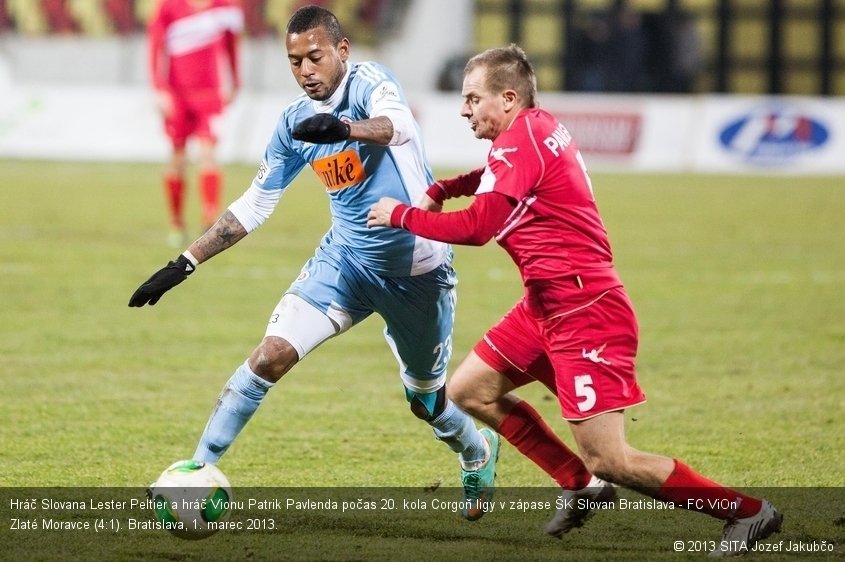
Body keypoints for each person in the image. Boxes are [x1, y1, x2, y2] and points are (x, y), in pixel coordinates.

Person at [367, 44, 783, 556]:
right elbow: (495, 178)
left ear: (509, 97)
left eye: (473, 98)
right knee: (470, 391)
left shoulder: (522, 142)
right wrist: (450, 184)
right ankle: (580, 485)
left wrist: (400, 214)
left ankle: (745, 511)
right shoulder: (534, 129)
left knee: (613, 459)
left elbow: (478, 228)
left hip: (586, 313)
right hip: (545, 305)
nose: (464, 109)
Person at [130, 4, 499, 520]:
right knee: (269, 355)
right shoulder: (294, 124)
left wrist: (345, 130)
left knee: (426, 400)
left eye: (315, 57)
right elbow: (256, 203)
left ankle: (475, 450)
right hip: (344, 264)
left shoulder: (371, 83)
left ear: (341, 51)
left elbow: (397, 127)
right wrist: (185, 263)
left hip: (417, 271)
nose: (306, 70)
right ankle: (195, 471)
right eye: (295, 61)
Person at [147, 0, 243, 246]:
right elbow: (155, 47)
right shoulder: (168, 7)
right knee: (178, 158)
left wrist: (235, 80)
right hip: (176, 95)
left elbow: (232, 45)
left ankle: (210, 220)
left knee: (208, 154)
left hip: (209, 94)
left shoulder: (225, 7)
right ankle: (176, 222)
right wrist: (158, 88)